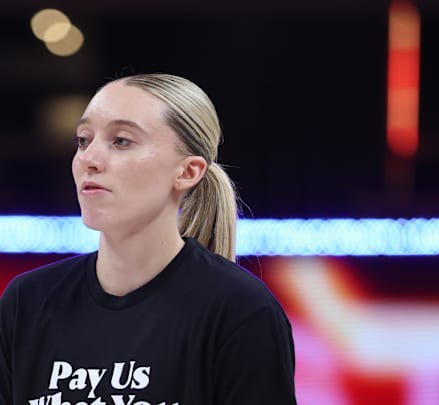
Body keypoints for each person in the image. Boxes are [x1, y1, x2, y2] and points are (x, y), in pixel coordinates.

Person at [0, 73, 297, 404]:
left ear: (188, 171)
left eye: (121, 141)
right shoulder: (27, 302)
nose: (88, 159)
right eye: (83, 140)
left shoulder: (241, 310)